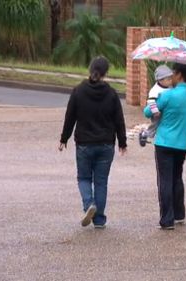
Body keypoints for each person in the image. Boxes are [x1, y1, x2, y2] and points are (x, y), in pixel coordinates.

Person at [59, 56, 127, 229]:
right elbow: (119, 119)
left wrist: (64, 138)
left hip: (84, 143)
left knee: (83, 177)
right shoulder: (111, 94)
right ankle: (99, 219)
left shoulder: (78, 91)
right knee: (101, 182)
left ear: (90, 70)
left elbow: (70, 117)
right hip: (106, 144)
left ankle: (89, 203)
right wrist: (122, 142)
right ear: (106, 73)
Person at [143, 63, 186, 230]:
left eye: (173, 73)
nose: (171, 76)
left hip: (165, 143)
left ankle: (167, 219)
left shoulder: (169, 95)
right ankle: (179, 214)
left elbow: (147, 112)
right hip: (182, 144)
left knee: (165, 181)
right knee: (177, 177)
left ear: (179, 75)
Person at [139, 64, 173, 147]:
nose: (170, 81)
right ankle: (144, 134)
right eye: (168, 79)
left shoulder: (169, 87)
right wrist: (155, 111)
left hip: (165, 110)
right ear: (160, 80)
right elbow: (151, 101)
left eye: (170, 79)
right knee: (155, 125)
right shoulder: (155, 90)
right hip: (156, 112)